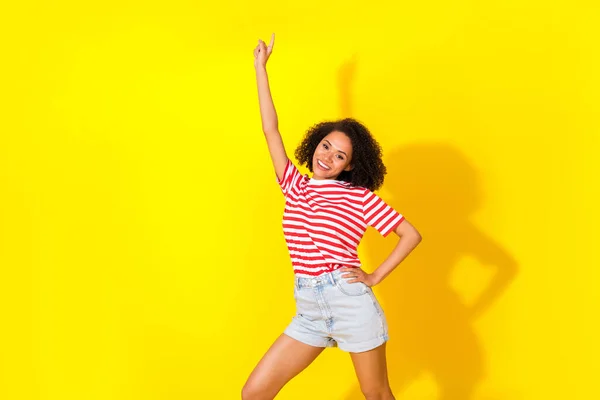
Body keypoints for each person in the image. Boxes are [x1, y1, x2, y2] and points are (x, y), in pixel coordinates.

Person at [243, 33, 422, 400]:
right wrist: (261, 68)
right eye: (325, 146)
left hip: (349, 302)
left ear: (350, 165)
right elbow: (270, 129)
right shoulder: (294, 185)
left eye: (339, 155)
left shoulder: (360, 199)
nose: (327, 157)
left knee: (377, 395)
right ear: (315, 145)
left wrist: (374, 276)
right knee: (254, 393)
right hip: (308, 307)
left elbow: (410, 234)